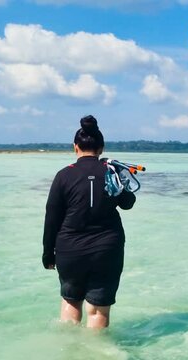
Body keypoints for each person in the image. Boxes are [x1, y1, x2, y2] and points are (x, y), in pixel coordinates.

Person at [42, 115, 136, 329]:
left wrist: (48, 253)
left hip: (70, 249)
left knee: (71, 301)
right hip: (106, 250)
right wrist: (118, 174)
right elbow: (128, 203)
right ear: (101, 148)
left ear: (75, 147)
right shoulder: (113, 173)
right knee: (97, 310)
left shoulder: (63, 175)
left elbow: (52, 218)